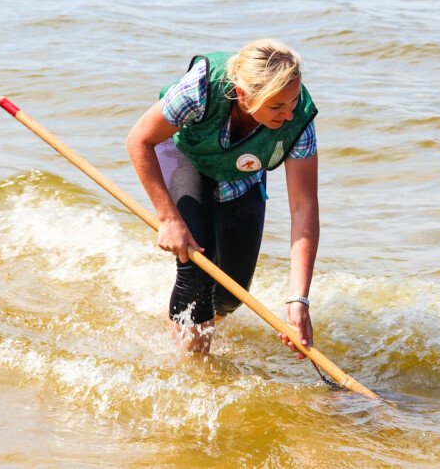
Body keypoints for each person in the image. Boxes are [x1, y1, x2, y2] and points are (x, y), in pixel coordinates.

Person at [126, 38, 319, 360]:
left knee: (231, 294)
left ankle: (192, 327)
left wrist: (298, 299)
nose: (288, 115)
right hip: (186, 155)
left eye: (293, 102)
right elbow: (139, 140)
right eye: (276, 107)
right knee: (198, 266)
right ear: (243, 95)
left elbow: (304, 207)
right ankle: (196, 369)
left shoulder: (298, 120)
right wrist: (169, 219)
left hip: (241, 176)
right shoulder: (201, 87)